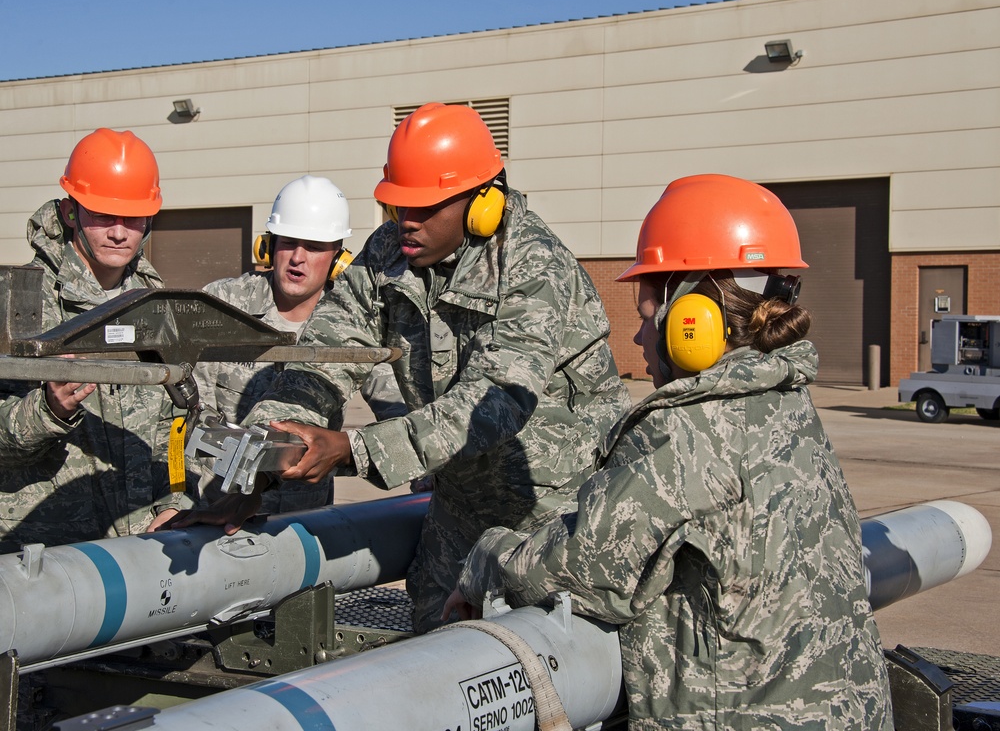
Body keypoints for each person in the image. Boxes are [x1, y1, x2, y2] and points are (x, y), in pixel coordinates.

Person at [446, 174, 894, 729]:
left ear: (692, 319)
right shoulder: (788, 405)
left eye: (645, 314)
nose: (638, 339)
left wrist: (486, 558)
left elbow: (582, 570)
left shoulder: (688, 429)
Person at [171, 103, 631, 633]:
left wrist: (355, 449)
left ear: (483, 202)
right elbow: (324, 353)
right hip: (458, 507)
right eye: (396, 206)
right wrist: (262, 460)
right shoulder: (389, 250)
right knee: (435, 661)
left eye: (424, 208)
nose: (406, 222)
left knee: (544, 673)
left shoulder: (534, 266)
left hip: (554, 515)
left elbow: (495, 403)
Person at [0, 128, 192, 553]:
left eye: (134, 218)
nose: (120, 232)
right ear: (71, 212)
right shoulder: (20, 303)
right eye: (104, 215)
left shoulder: (157, 309)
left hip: (139, 550)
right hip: (44, 558)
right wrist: (47, 409)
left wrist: (175, 499)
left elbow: (174, 428)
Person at [192, 174, 405, 512]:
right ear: (268, 246)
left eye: (316, 247)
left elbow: (396, 404)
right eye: (289, 242)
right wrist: (174, 500)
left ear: (339, 260)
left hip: (300, 523)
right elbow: (181, 417)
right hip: (217, 508)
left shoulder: (352, 323)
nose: (298, 258)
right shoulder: (223, 306)